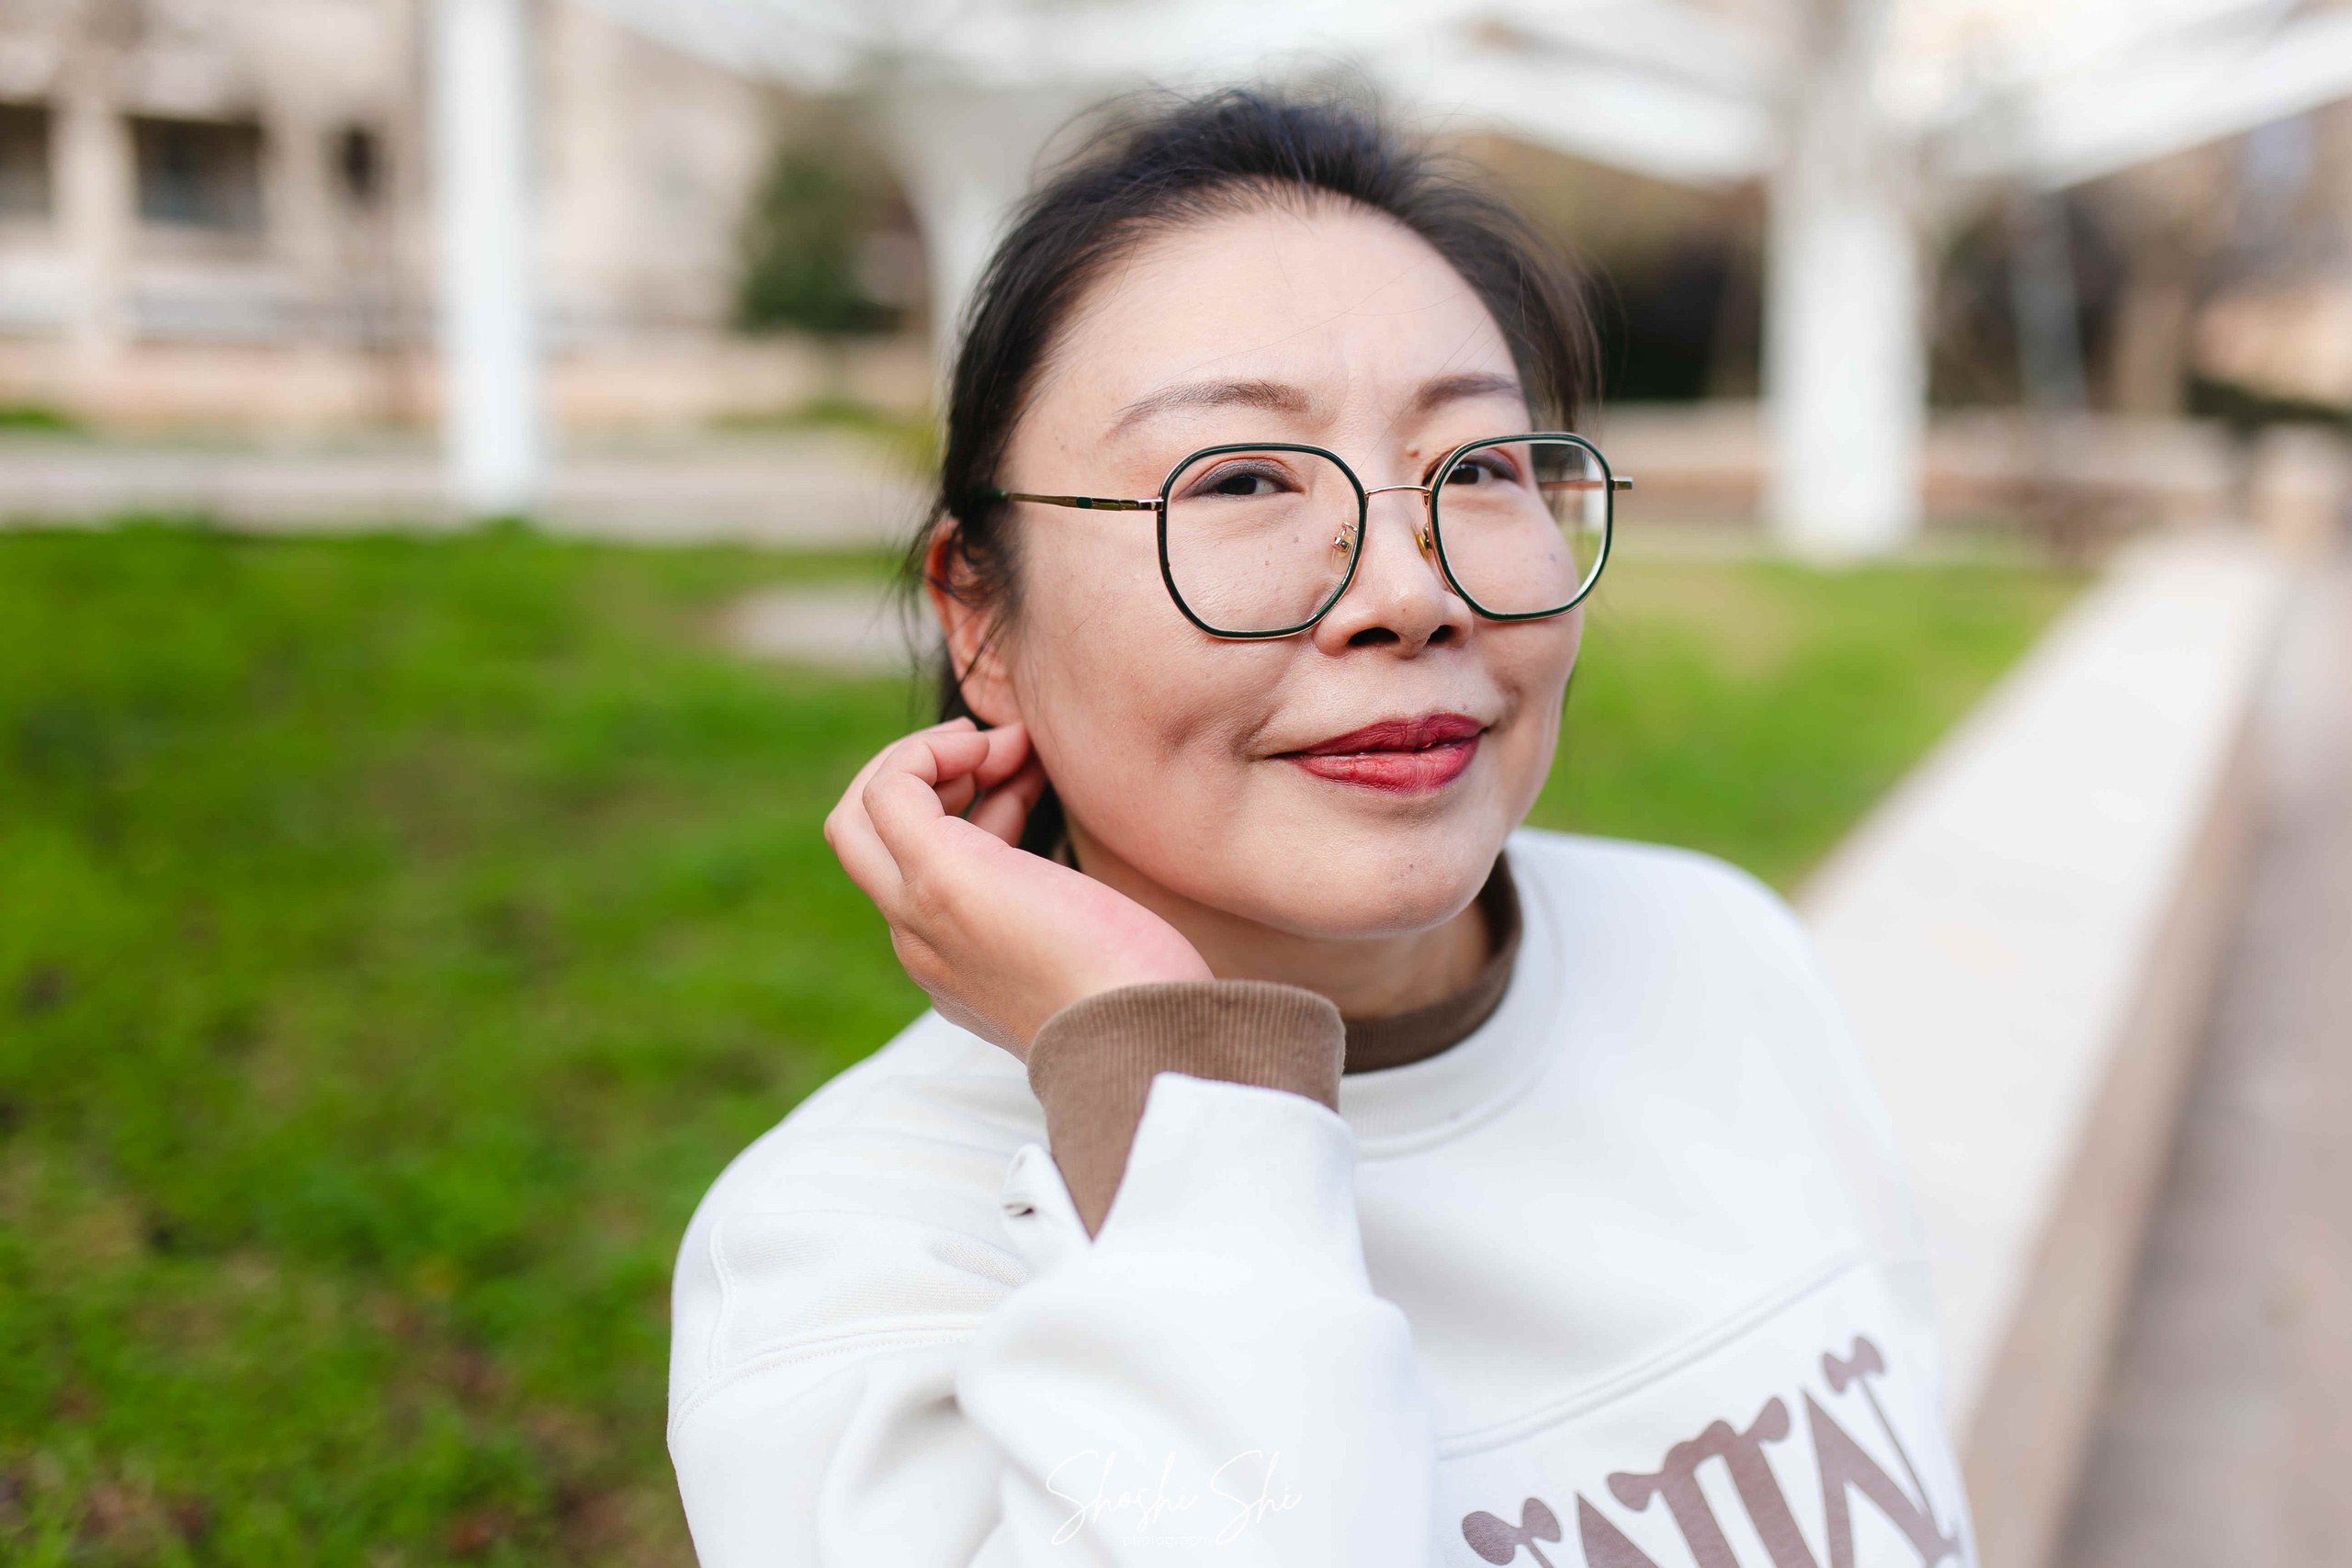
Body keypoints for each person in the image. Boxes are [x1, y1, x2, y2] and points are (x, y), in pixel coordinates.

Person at [667, 87, 1974, 1568]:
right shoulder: (844, 1261)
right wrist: (1169, 1086)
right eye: (1237, 478)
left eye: (1477, 468)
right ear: (981, 612)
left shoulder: (1715, 952)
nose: (1409, 591)